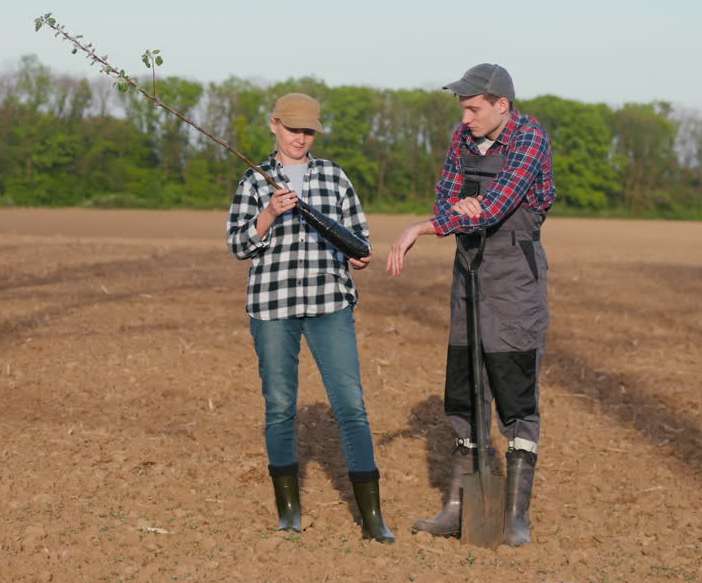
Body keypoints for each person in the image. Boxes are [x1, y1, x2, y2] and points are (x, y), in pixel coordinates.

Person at [385, 64, 555, 546]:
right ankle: (457, 505)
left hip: (514, 278)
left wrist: (426, 226)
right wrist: (450, 214)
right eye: (463, 108)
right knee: (463, 384)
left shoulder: (529, 138)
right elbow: (446, 199)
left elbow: (498, 205)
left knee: (513, 385)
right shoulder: (463, 139)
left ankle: (516, 516)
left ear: (502, 105)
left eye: (473, 108)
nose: (465, 118)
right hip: (468, 270)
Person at [226, 92, 395, 543]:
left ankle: (373, 520)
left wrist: (358, 255)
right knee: (280, 407)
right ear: (274, 126)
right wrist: (268, 215)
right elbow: (239, 246)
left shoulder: (334, 177)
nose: (301, 138)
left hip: (329, 305)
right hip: (272, 308)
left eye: (308, 131)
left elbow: (358, 236)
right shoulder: (253, 182)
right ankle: (288, 513)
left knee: (351, 406)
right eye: (293, 129)